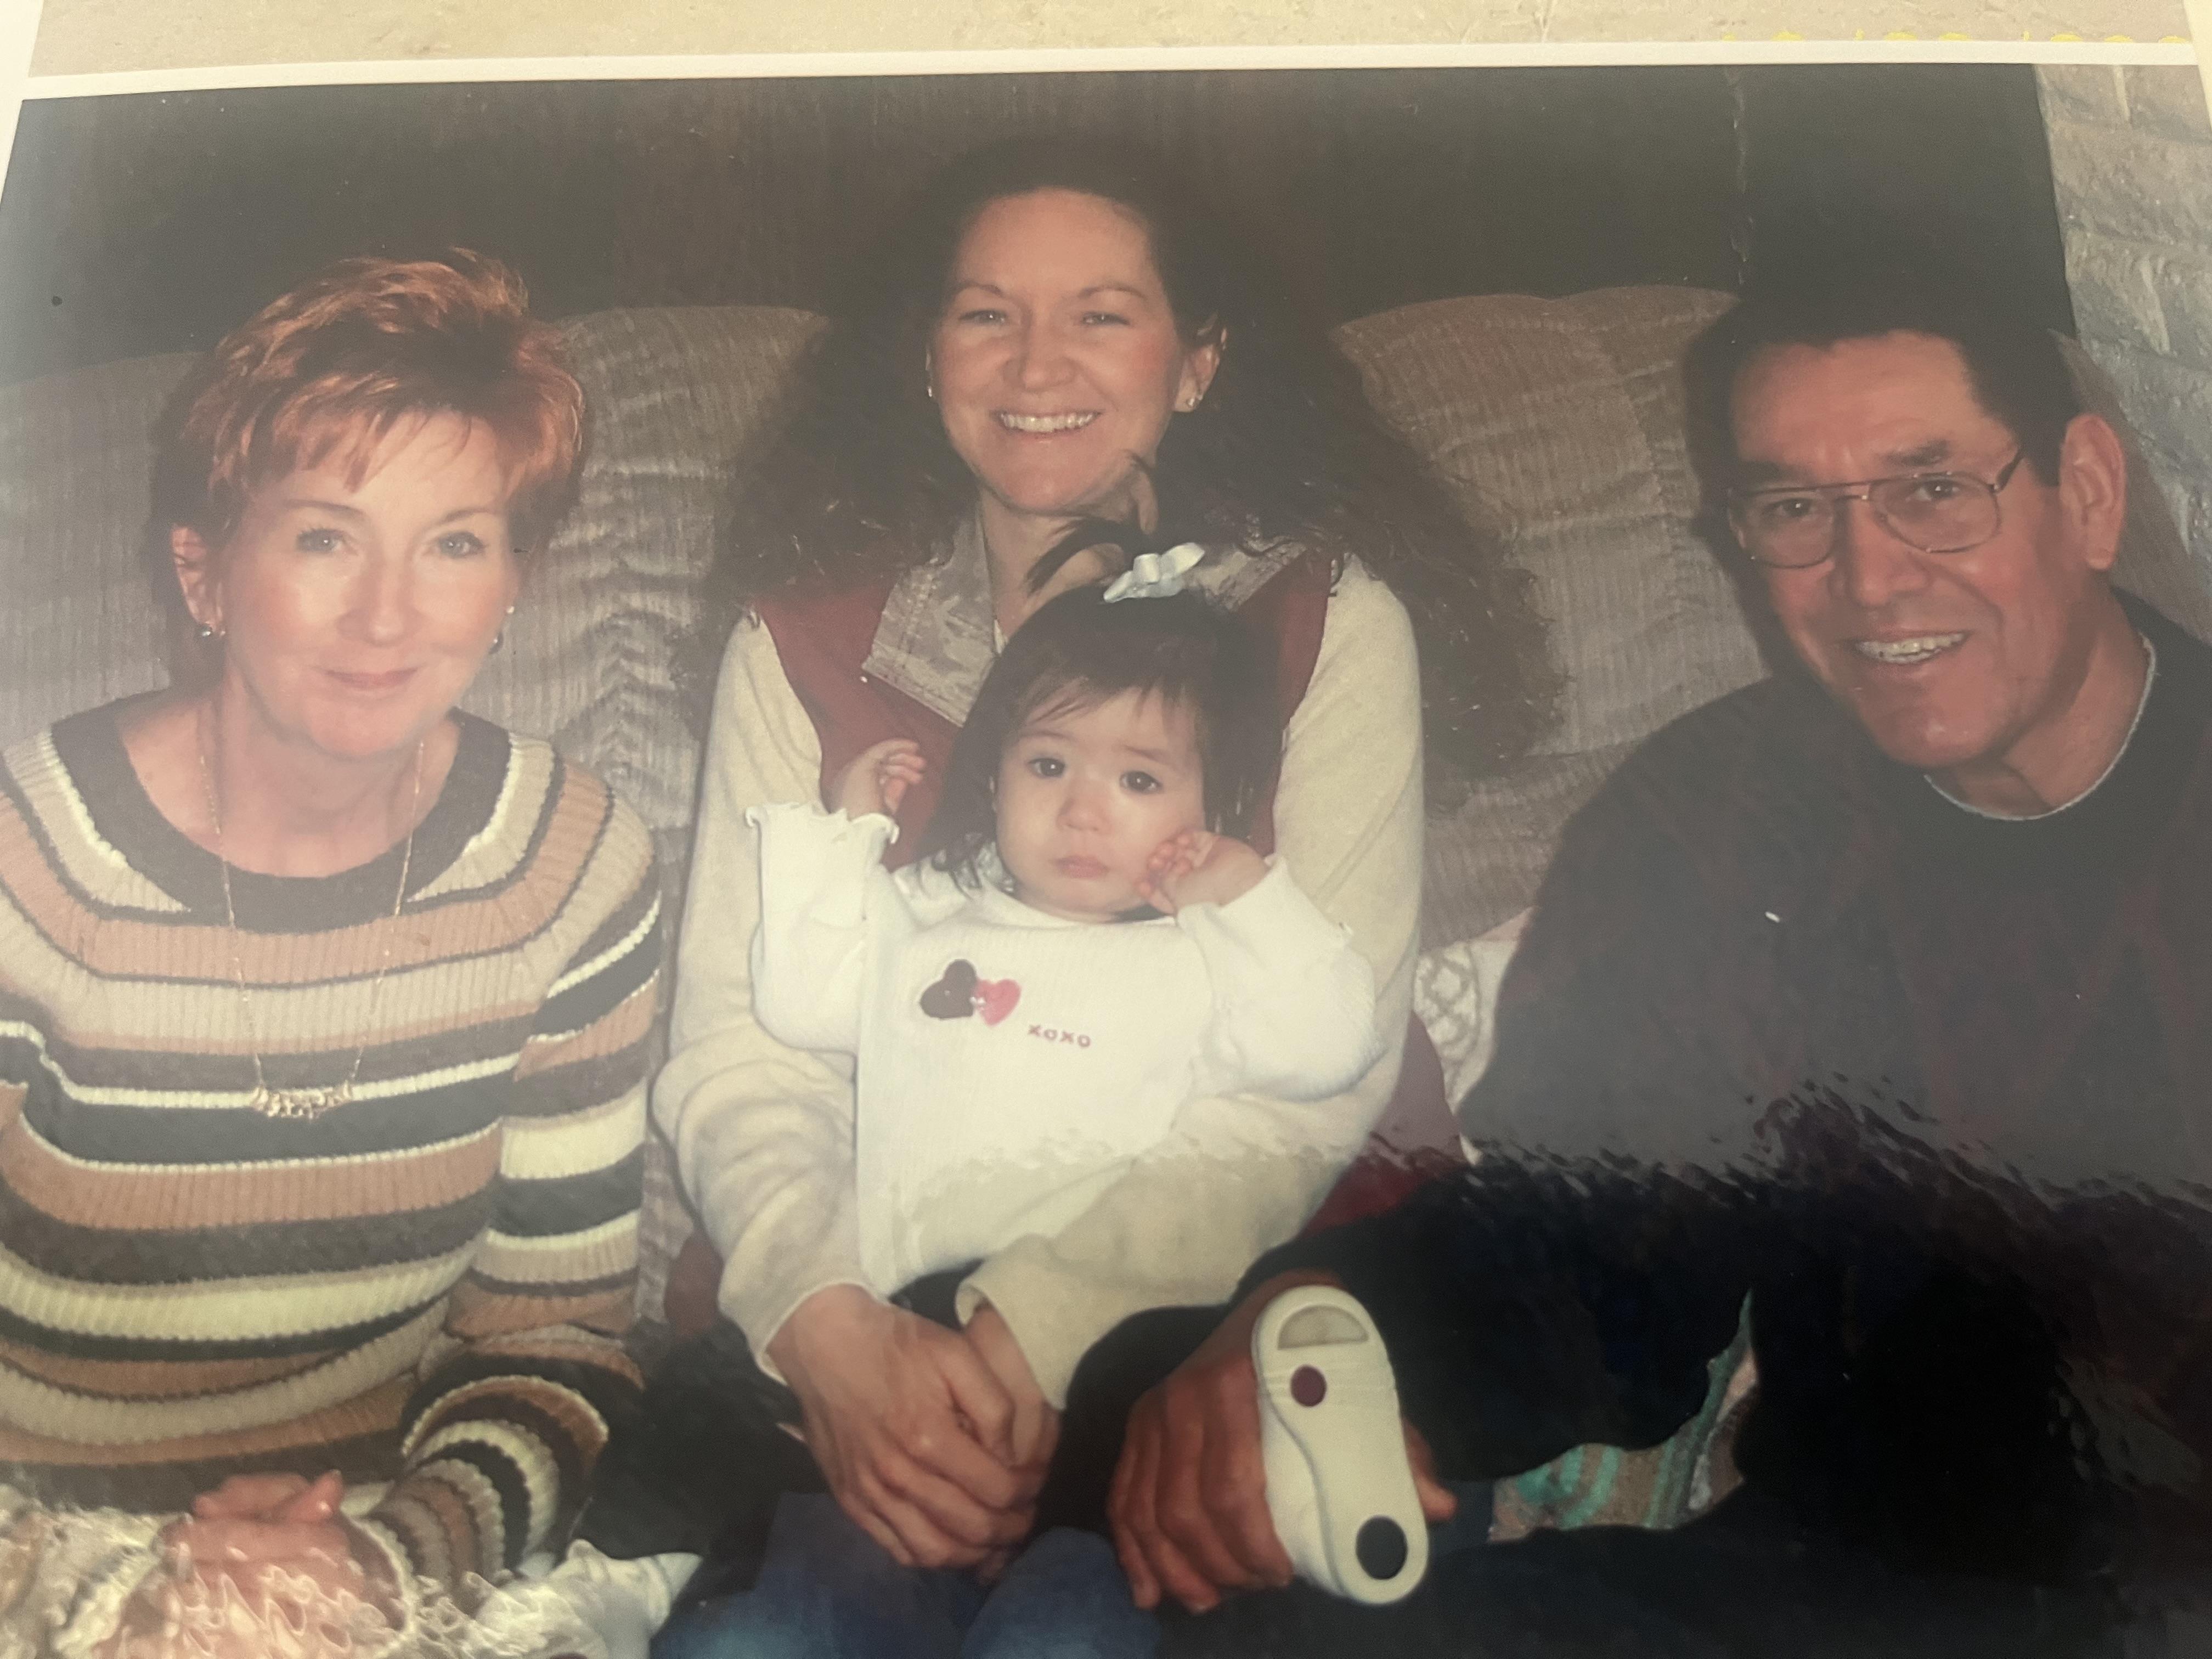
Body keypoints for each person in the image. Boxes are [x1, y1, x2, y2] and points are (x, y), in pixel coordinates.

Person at [1102, 250, 2212, 1655]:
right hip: (1854, 1585)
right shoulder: (1723, 820)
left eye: (1935, 489)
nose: (1871, 578)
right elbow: (1597, 1253)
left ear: (2091, 493)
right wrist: (1318, 1320)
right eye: (1794, 510)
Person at [647, 137, 1554, 1657]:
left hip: (1241, 1285)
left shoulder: (1324, 622)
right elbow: (742, 1048)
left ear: (1197, 363)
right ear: (925, 357)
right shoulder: (798, 643)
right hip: (883, 1289)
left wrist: (1029, 1334)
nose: (1035, 364)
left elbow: (1308, 1089)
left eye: (1103, 314)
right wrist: (829, 1329)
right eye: (985, 314)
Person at [0, 253, 670, 1658]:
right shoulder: (29, 866)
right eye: (324, 539)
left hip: (362, 1557)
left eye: (455, 545)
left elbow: (551, 1341)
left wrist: (385, 1558)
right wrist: (108, 1603)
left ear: (514, 581)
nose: (387, 616)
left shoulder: (569, 866)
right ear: (204, 571)